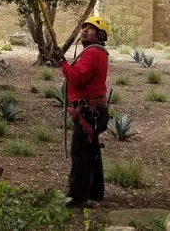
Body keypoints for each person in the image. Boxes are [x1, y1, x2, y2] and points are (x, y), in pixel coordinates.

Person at [59, 15, 111, 208]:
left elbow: (77, 77)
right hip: (94, 111)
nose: (84, 30)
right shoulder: (99, 53)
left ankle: (78, 196)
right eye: (84, 27)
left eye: (90, 28)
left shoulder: (92, 54)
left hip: (89, 112)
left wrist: (61, 62)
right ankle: (96, 191)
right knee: (91, 151)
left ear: (100, 35)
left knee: (80, 152)